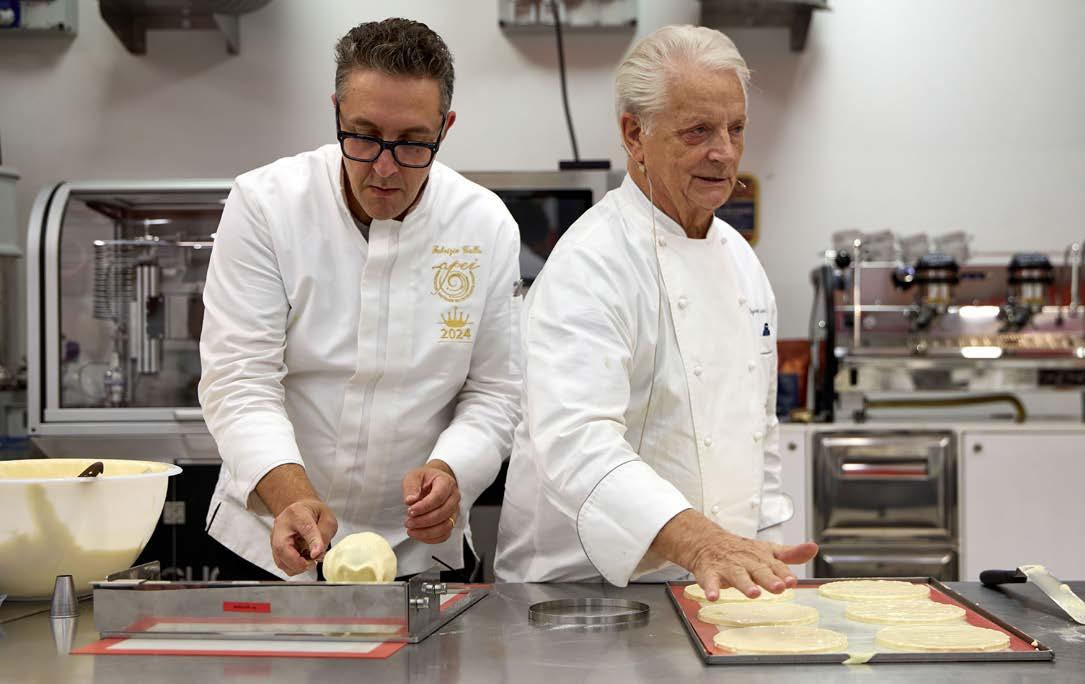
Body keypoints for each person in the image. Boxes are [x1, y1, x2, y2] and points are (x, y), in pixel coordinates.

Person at [495, 25, 817, 599]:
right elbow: (576, 442)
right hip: (584, 597)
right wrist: (702, 544)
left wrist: (767, 561)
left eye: (736, 128)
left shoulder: (742, 262)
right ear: (634, 134)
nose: (724, 152)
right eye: (698, 130)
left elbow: (759, 437)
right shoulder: (591, 263)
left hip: (713, 588)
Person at [199, 18, 521, 581]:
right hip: (269, 541)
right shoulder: (267, 205)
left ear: (444, 128)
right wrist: (290, 496)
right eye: (364, 135)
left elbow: (495, 392)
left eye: (413, 142)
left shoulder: (484, 224)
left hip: (418, 554)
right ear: (336, 114)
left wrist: (454, 470)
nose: (385, 167)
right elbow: (239, 378)